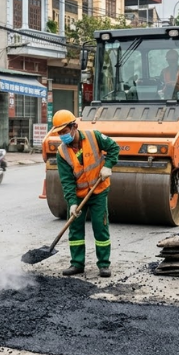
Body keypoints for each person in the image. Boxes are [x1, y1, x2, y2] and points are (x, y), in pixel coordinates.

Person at [50, 110, 120, 278]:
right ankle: (77, 263)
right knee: (75, 229)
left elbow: (114, 148)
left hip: (98, 191)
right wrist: (72, 202)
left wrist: (108, 165)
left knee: (100, 226)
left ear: (74, 126)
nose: (62, 136)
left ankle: (104, 264)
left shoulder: (94, 137)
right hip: (78, 194)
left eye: (65, 131)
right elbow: (67, 180)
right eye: (59, 133)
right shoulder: (62, 153)